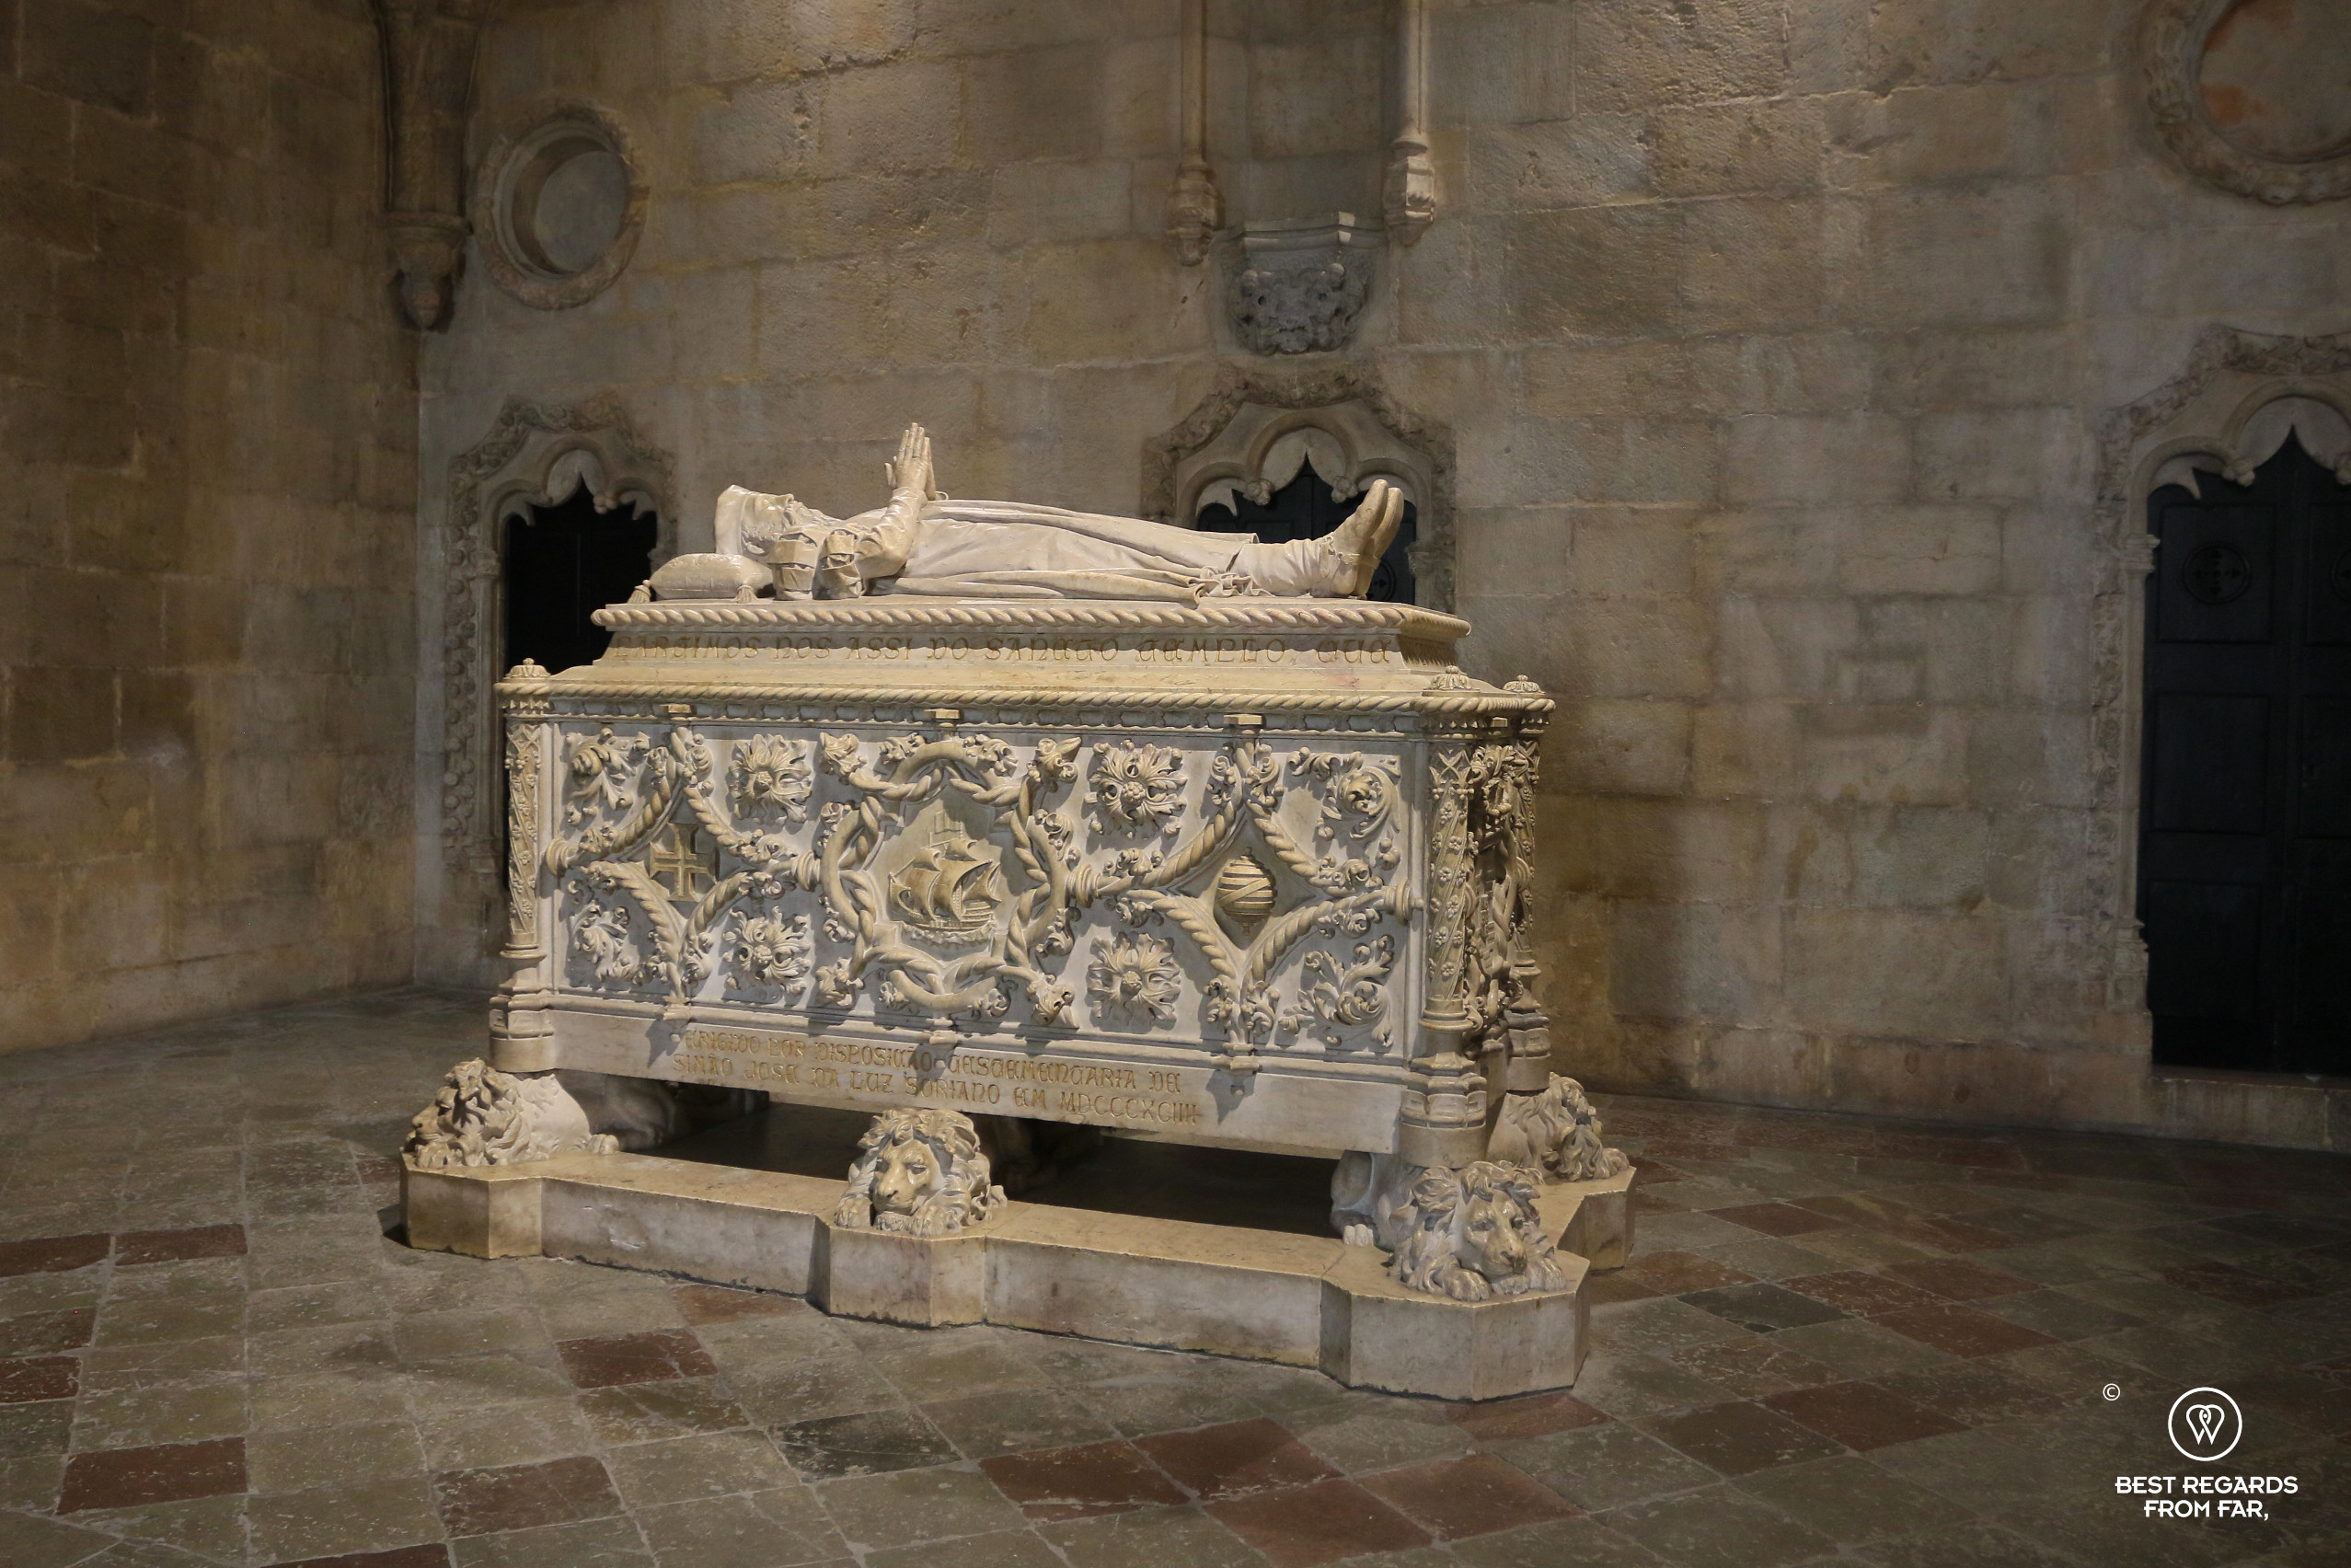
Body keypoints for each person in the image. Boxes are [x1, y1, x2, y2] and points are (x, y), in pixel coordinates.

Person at [715, 424, 1403, 605]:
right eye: (777, 509)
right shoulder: (807, 546)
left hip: (1000, 540)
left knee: (1136, 540)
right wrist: (911, 490)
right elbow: (887, 554)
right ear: (767, 536)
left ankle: (1310, 561)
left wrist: (921, 497)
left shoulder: (827, 529)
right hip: (991, 564)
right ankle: (1311, 565)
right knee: (1134, 559)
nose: (794, 503)